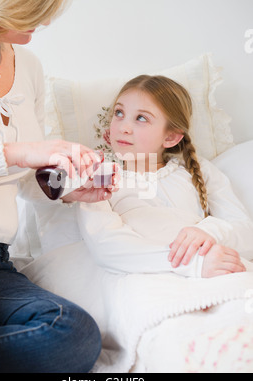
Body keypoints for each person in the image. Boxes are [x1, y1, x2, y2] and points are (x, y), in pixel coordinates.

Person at [0, 0, 117, 373]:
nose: (44, 21)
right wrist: (17, 151)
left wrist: (69, 189)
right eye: (35, 6)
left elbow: (25, 177)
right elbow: (18, 156)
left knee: (72, 334)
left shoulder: (28, 66)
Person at [77, 75, 253, 278]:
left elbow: (246, 233)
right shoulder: (97, 179)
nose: (123, 127)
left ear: (170, 137)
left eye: (141, 118)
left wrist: (209, 232)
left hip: (212, 270)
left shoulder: (196, 170)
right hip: (147, 277)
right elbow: (106, 247)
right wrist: (193, 263)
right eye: (119, 113)